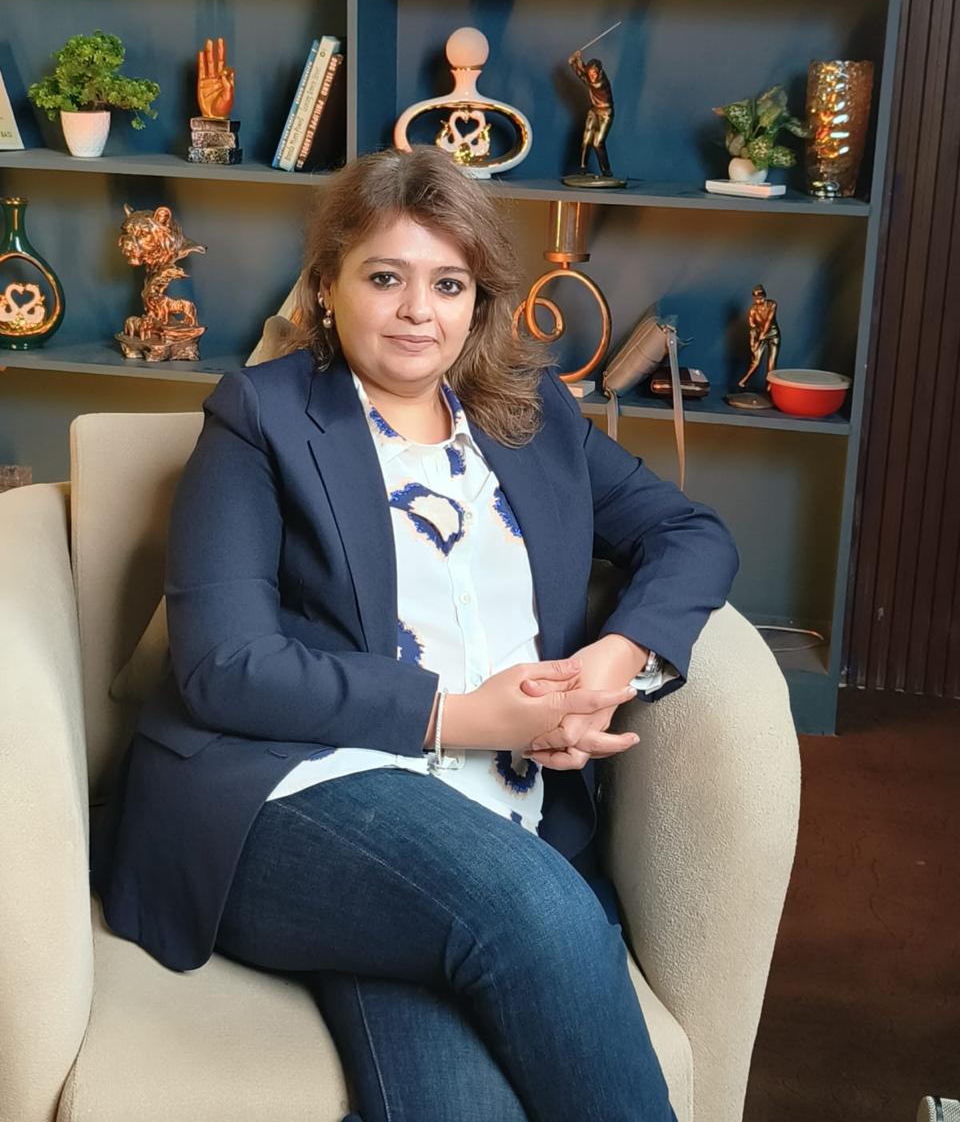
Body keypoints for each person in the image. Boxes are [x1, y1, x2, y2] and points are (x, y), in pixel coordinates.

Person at [92, 146, 739, 1122]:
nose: (416, 311)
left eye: (448, 283)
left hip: (483, 821)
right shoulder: (260, 417)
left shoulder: (531, 413)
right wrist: (466, 717)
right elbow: (225, 665)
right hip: (290, 791)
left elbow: (690, 534)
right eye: (385, 277)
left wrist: (610, 666)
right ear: (328, 286)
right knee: (535, 908)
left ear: (478, 301)